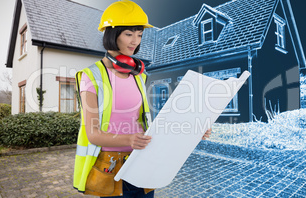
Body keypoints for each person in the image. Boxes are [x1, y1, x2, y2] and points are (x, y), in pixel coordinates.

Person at [73, 1, 211, 197]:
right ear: (112, 35)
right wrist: (129, 139)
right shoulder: (91, 76)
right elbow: (93, 134)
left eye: (139, 35)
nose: (135, 41)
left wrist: (191, 129)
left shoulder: (138, 76)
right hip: (112, 168)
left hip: (143, 161)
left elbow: (148, 125)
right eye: (129, 34)